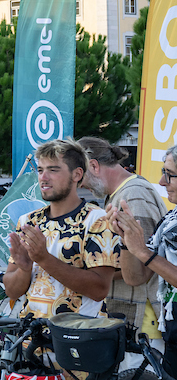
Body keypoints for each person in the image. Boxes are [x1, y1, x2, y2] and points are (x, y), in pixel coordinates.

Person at [3, 139, 120, 380]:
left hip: (77, 346)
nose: (44, 177)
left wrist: (44, 258)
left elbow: (100, 287)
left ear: (77, 174)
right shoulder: (29, 220)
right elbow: (12, 287)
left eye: (53, 169)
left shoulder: (96, 220)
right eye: (40, 169)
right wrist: (23, 266)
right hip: (31, 341)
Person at [81, 135, 167, 329]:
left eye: (81, 176)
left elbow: (143, 264)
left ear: (94, 166)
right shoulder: (120, 193)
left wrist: (87, 272)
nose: (80, 184)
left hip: (141, 321)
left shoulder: (133, 195)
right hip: (134, 317)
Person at [114, 144, 177, 378]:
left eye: (169, 174)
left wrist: (143, 252)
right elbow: (135, 277)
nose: (162, 181)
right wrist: (126, 240)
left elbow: (147, 258)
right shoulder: (170, 220)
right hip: (171, 336)